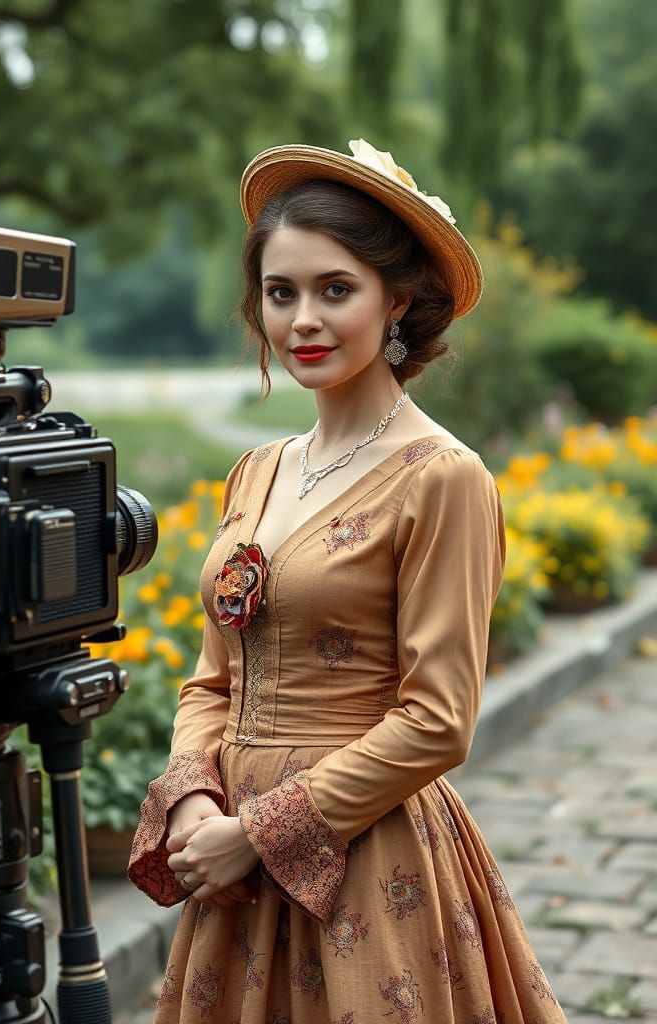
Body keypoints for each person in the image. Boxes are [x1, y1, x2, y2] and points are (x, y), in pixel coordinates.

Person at [126, 140, 568, 1023]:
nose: (303, 321)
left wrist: (259, 835)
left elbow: (438, 720)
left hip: (366, 856)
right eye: (280, 293)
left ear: (395, 298)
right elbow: (214, 678)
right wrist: (192, 802)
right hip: (226, 861)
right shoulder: (255, 470)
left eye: (336, 289)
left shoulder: (444, 478)